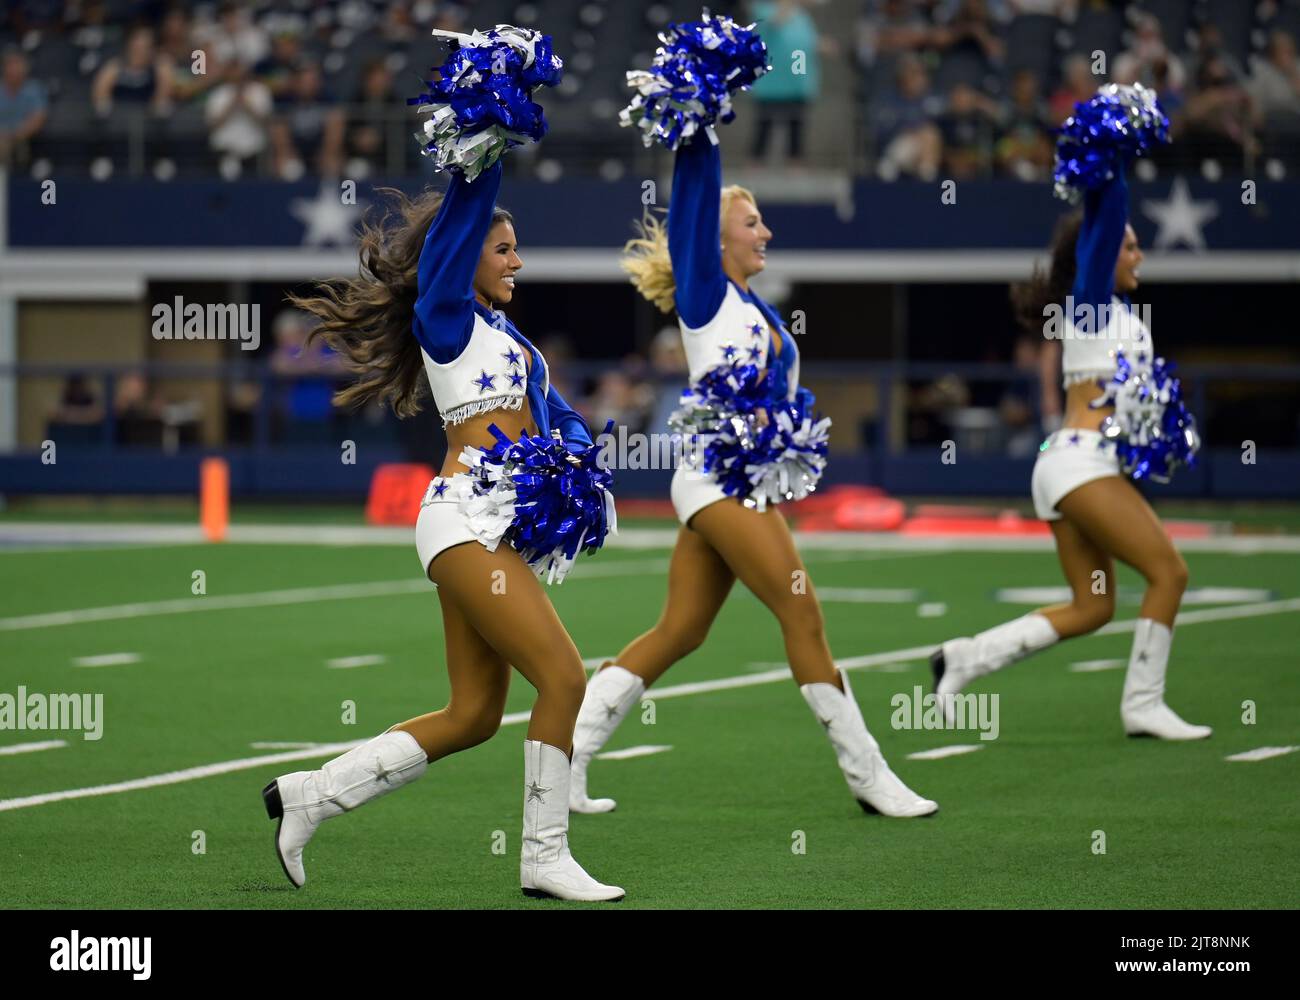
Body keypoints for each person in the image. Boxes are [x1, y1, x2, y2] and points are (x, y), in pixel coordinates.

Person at [264, 153, 625, 902]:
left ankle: (311, 795)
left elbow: (562, 424)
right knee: (564, 677)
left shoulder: (518, 346)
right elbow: (462, 222)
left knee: (473, 714)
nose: (518, 260)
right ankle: (544, 856)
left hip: (490, 532)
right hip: (463, 522)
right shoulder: (447, 319)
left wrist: (583, 468)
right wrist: (486, 147)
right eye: (503, 248)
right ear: (463, 258)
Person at [568, 126, 938, 819]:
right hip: (716, 481)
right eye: (751, 222)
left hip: (734, 485)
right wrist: (698, 127)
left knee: (680, 631)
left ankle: (568, 757)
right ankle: (869, 775)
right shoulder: (706, 295)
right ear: (714, 243)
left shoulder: (753, 307)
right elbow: (694, 199)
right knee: (802, 613)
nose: (765, 231)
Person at [932, 146, 1211, 741]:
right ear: (1101, 256)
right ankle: (1143, 703)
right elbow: (1106, 218)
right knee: (1169, 573)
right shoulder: (1088, 307)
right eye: (1128, 247)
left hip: (1074, 465)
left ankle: (962, 659)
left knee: (1094, 606)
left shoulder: (1119, 314)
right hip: (1079, 465)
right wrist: (1113, 153)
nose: (1138, 254)